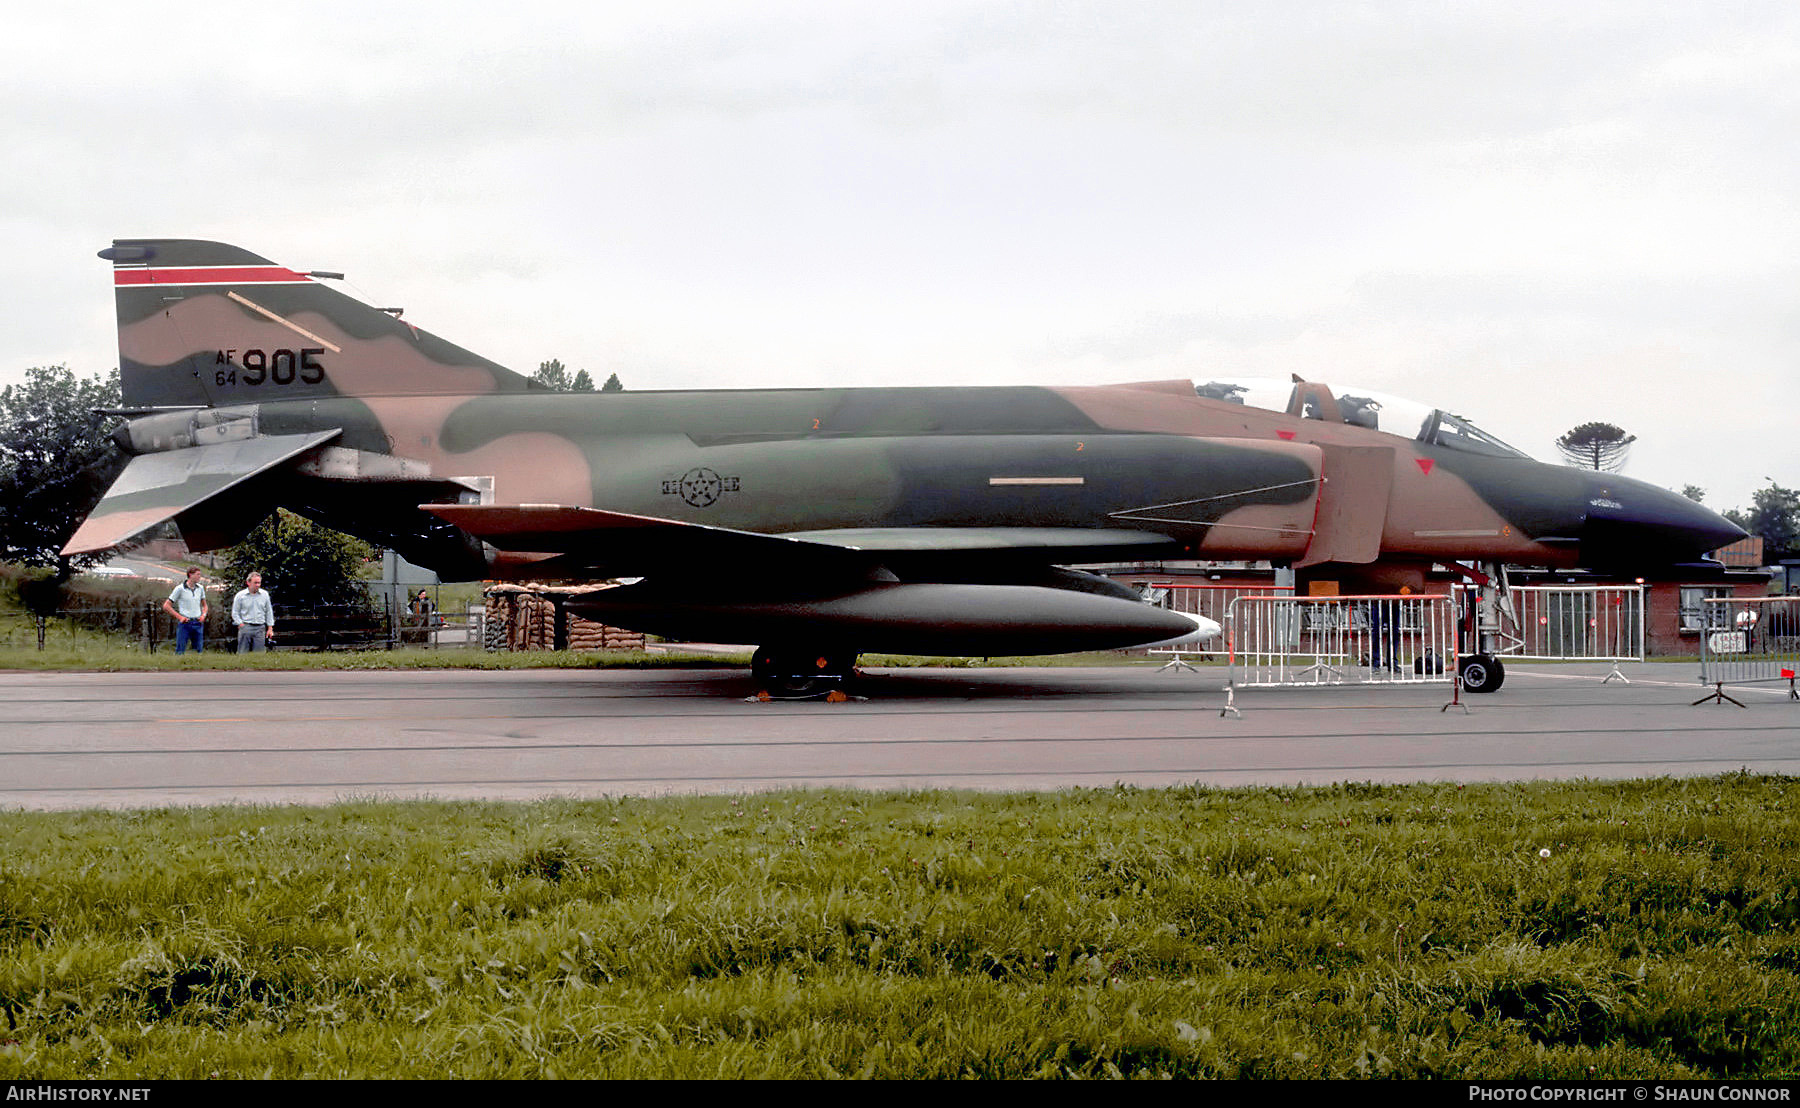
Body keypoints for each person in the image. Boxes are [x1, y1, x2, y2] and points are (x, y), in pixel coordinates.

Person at [161, 567, 208, 654]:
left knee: (198, 650)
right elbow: (166, 605)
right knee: (180, 650)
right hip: (185, 623)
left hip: (197, 622)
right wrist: (180, 617)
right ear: (190, 575)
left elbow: (204, 605)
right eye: (197, 574)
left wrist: (203, 615)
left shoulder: (200, 588)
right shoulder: (180, 589)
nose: (199, 577)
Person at [232, 572, 277, 653]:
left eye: (259, 583)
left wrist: (270, 628)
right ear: (248, 583)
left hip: (260, 628)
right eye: (255, 583)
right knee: (243, 654)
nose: (257, 585)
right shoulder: (240, 596)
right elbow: (235, 612)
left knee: (259, 655)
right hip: (246, 626)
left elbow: (269, 612)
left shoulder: (264, 595)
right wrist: (241, 624)